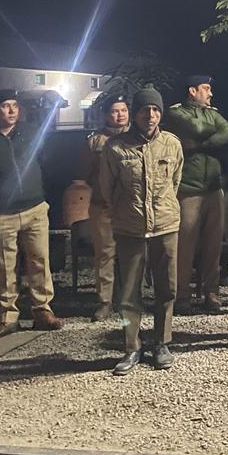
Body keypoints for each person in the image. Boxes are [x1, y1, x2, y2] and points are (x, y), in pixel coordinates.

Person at [100, 88, 184, 376]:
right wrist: (126, 211)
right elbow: (108, 189)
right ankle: (131, 346)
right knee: (127, 293)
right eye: (145, 110)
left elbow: (175, 182)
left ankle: (162, 343)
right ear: (135, 114)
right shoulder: (115, 148)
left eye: (156, 110)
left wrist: (162, 209)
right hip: (130, 228)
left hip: (165, 226)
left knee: (167, 288)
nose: (150, 115)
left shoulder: (172, 144)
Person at [0, 89, 64, 339]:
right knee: (6, 267)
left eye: (14, 105)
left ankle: (42, 311)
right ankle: (8, 317)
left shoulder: (30, 132)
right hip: (2, 214)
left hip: (35, 208)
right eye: (5, 106)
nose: (12, 110)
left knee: (40, 261)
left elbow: (44, 159)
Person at [164, 75, 228, 314]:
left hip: (213, 187)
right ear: (192, 91)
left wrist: (201, 145)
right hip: (189, 187)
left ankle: (211, 292)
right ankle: (181, 294)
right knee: (185, 244)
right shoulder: (176, 113)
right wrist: (212, 134)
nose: (210, 93)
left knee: (213, 244)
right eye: (206, 88)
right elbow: (197, 128)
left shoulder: (212, 113)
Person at [79, 94, 129, 322]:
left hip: (131, 206)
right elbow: (85, 173)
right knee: (105, 254)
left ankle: (130, 299)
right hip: (103, 206)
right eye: (115, 111)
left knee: (132, 254)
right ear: (106, 115)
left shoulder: (136, 138)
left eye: (124, 110)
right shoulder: (95, 141)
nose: (120, 115)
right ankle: (105, 301)